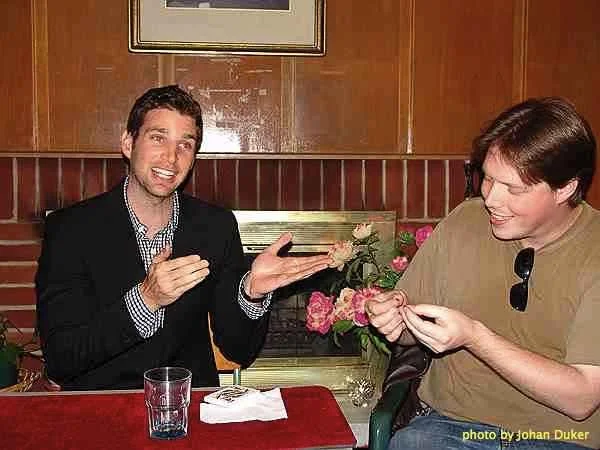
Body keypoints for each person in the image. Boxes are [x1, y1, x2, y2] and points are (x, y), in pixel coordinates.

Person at [35, 85, 331, 390]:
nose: (171, 158)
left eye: (185, 145)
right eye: (158, 138)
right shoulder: (70, 230)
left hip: (190, 405)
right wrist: (146, 300)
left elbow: (238, 351)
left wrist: (250, 294)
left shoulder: (215, 227)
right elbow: (61, 359)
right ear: (128, 143)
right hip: (105, 407)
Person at [366, 97, 600, 449]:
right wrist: (396, 319)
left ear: (565, 188)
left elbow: (581, 398)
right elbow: (410, 330)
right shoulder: (465, 221)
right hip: (449, 426)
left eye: (514, 189)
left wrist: (475, 337)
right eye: (488, 179)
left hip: (563, 439)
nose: (490, 199)